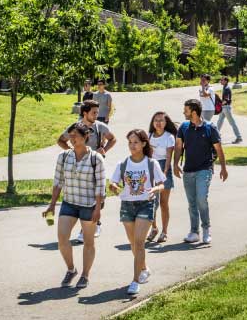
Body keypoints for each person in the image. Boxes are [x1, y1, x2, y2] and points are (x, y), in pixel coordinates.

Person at [44, 122, 105, 289]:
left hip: (88, 205)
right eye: (70, 136)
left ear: (86, 137)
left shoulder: (95, 159)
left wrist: (98, 209)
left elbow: (100, 186)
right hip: (69, 203)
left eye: (75, 136)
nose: (71, 140)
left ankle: (85, 275)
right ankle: (71, 269)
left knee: (88, 242)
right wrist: (52, 205)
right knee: (62, 238)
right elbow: (58, 182)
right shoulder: (63, 157)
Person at [108, 129, 167, 296]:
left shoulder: (151, 163)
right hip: (127, 204)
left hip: (145, 205)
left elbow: (162, 183)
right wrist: (113, 187)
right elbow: (113, 183)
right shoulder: (123, 164)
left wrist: (155, 188)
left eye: (135, 142)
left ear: (143, 144)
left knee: (139, 242)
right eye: (130, 142)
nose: (132, 146)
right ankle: (144, 268)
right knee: (133, 244)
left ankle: (135, 281)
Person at [57, 100, 118, 242]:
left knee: (97, 196)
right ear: (85, 113)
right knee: (81, 197)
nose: (97, 115)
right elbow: (61, 140)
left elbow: (113, 139)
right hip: (79, 169)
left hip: (95, 166)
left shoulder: (100, 127)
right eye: (94, 112)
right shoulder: (75, 128)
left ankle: (91, 226)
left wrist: (104, 150)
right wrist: (72, 152)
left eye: (97, 112)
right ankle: (89, 226)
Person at [174, 99, 229, 245]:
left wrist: (223, 167)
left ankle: (206, 229)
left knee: (201, 199)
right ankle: (194, 232)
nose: (183, 112)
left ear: (193, 111)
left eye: (186, 110)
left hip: (204, 169)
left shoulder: (210, 127)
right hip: (188, 170)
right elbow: (178, 147)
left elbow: (218, 149)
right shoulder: (184, 127)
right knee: (191, 202)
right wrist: (175, 164)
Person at [147, 111, 179, 243]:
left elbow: (168, 158)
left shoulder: (169, 137)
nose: (158, 123)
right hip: (151, 168)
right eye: (156, 120)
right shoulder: (149, 136)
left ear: (166, 123)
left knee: (163, 203)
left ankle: (164, 232)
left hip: (163, 168)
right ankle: (154, 228)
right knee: (151, 202)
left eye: (161, 120)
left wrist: (164, 173)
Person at [214, 76, 243, 144]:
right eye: (220, 80)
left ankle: (239, 137)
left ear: (226, 81)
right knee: (219, 122)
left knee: (232, 123)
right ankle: (216, 136)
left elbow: (226, 100)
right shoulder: (225, 88)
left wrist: (220, 104)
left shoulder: (227, 89)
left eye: (222, 80)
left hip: (226, 108)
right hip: (224, 108)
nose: (220, 81)